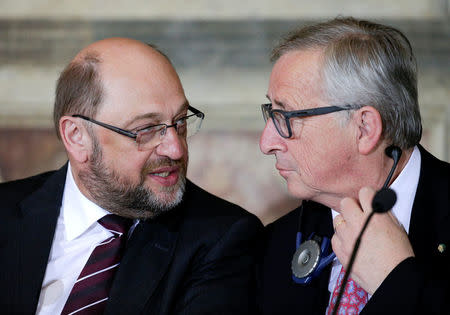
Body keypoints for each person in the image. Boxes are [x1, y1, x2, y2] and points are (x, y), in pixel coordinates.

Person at [0, 38, 263, 314]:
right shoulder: (6, 212)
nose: (176, 149)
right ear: (77, 137)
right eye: (146, 130)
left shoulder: (221, 239)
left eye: (181, 121)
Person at [257, 17, 449, 314]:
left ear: (364, 128)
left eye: (287, 117)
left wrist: (396, 282)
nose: (266, 142)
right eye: (271, 111)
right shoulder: (273, 246)